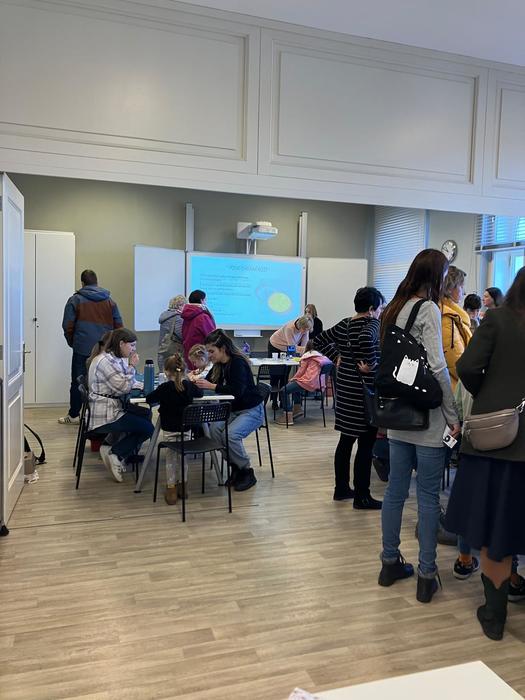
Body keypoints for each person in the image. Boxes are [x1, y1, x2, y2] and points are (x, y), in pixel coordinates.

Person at [445, 267, 525, 640]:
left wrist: (491, 393)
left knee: (498, 530)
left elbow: (467, 366)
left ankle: (494, 615)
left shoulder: (498, 320)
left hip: (500, 443)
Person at [378, 249, 460, 604]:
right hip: (428, 420)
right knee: (427, 497)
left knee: (395, 492)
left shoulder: (393, 308)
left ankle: (389, 562)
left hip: (399, 417)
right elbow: (438, 367)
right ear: (436, 277)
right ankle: (427, 574)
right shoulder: (428, 309)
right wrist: (453, 415)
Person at [314, 287, 385, 510]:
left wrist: (337, 356)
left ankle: (342, 488)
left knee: (346, 440)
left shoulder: (345, 324)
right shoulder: (372, 323)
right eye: (380, 308)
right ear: (372, 308)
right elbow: (366, 338)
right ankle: (362, 496)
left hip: (345, 389)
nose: (380, 312)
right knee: (366, 444)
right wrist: (371, 363)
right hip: (363, 393)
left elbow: (318, 340)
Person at [195, 330, 264, 492]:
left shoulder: (238, 363)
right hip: (233, 410)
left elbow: (237, 391)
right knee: (214, 432)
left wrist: (213, 386)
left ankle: (246, 471)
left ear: (223, 349)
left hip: (250, 410)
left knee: (231, 435)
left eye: (211, 351)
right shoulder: (219, 365)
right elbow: (207, 382)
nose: (209, 355)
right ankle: (236, 467)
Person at [88, 328, 154, 482]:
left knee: (145, 414)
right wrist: (131, 366)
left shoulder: (114, 359)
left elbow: (127, 381)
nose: (134, 349)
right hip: (105, 412)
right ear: (121, 344)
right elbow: (123, 387)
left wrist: (138, 382)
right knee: (148, 429)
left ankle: (117, 448)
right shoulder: (105, 362)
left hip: (111, 406)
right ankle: (117, 454)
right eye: (132, 345)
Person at [61, 269, 123, 424]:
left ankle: (74, 415)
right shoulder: (110, 302)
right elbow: (119, 326)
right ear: (97, 282)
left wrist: (73, 342)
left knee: (78, 382)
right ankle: (99, 415)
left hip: (82, 348)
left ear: (82, 283)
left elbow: (67, 325)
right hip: (104, 350)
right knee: (103, 382)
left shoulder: (75, 300)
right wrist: (111, 346)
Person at [145, 353, 203, 505]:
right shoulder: (189, 386)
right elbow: (200, 393)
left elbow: (149, 399)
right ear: (184, 370)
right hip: (186, 428)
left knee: (171, 458)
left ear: (166, 371)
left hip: (169, 428)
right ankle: (183, 486)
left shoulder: (164, 387)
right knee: (183, 457)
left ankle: (171, 489)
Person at [276, 340, 331, 425]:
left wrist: (292, 379)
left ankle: (287, 416)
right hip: (319, 384)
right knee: (295, 385)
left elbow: (300, 372)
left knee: (284, 390)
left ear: (307, 347)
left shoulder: (307, 357)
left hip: (308, 382)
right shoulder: (323, 358)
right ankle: (297, 409)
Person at [440, 266, 472, 391]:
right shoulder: (447, 317)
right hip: (453, 389)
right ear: (450, 288)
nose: (464, 292)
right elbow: (456, 363)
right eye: (461, 286)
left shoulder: (450, 314)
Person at [181, 290, 216, 369]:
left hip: (189, 352)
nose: (206, 302)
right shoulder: (202, 317)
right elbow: (212, 336)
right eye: (205, 300)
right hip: (200, 354)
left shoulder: (186, 315)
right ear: (201, 300)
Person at [157, 294, 186, 371]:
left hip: (163, 351)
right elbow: (182, 335)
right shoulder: (178, 318)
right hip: (174, 353)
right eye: (185, 305)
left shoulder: (165, 316)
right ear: (180, 306)